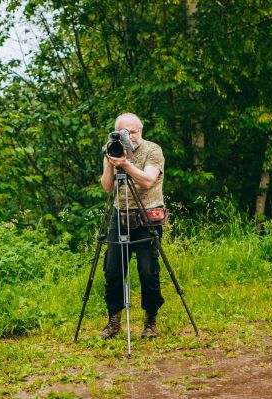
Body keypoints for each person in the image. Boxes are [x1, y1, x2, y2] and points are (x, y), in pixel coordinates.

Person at [100, 113, 165, 339]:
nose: (130, 137)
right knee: (113, 270)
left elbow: (148, 180)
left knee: (148, 271)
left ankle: (150, 320)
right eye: (125, 132)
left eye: (134, 132)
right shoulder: (114, 148)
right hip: (121, 214)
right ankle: (114, 321)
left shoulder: (152, 150)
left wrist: (125, 164)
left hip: (147, 216)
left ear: (141, 130)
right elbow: (108, 187)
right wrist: (110, 162)